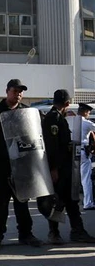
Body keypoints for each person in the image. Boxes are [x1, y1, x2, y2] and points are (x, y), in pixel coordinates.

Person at [0, 79, 42, 250]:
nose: (18, 94)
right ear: (7, 91)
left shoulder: (25, 111)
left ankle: (26, 234)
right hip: (1, 166)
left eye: (20, 92)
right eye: (15, 91)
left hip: (21, 166)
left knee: (22, 202)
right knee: (1, 203)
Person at [42, 90, 95, 244]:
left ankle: (77, 231)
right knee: (56, 201)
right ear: (66, 103)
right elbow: (52, 146)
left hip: (64, 167)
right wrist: (54, 169)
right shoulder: (54, 118)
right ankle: (54, 233)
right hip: (59, 168)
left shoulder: (59, 117)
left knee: (71, 201)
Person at [78, 103, 95, 210]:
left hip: (70, 153)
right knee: (86, 179)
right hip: (83, 153)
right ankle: (88, 203)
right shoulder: (87, 123)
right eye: (88, 112)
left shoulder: (69, 121)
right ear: (84, 112)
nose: (88, 114)